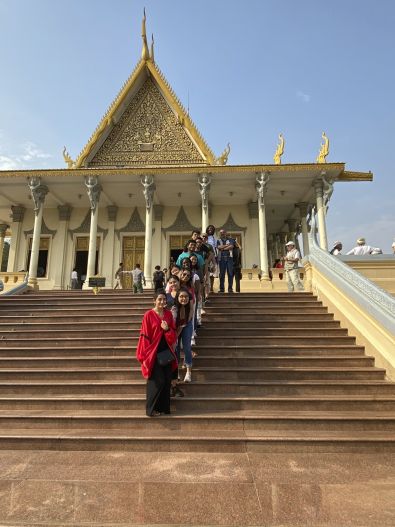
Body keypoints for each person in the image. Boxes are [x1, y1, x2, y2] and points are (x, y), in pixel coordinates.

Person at [136, 290, 178, 417]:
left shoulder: (168, 315)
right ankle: (151, 409)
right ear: (154, 301)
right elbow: (144, 335)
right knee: (156, 380)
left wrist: (167, 329)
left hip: (165, 351)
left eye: (164, 299)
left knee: (166, 380)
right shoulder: (148, 315)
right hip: (152, 351)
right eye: (159, 299)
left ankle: (163, 408)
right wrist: (144, 355)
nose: (162, 302)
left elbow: (173, 336)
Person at [175, 288, 194, 383]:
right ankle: (176, 371)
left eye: (186, 297)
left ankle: (188, 372)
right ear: (177, 297)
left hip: (186, 324)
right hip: (175, 327)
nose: (184, 298)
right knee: (176, 349)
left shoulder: (189, 307)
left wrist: (186, 323)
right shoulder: (174, 307)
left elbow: (191, 313)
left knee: (187, 347)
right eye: (181, 296)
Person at [217, 229, 235, 293]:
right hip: (221, 259)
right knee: (221, 274)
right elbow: (218, 247)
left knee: (230, 273)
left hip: (229, 258)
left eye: (223, 232)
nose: (222, 233)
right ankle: (222, 288)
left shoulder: (230, 239)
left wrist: (223, 248)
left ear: (226, 233)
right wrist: (226, 246)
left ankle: (230, 288)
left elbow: (231, 246)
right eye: (221, 232)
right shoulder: (218, 240)